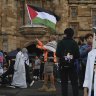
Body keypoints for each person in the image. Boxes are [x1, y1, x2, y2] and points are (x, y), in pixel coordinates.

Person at [56, 28, 80, 96]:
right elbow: (78, 55)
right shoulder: (74, 43)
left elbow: (57, 54)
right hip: (72, 65)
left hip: (63, 65)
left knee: (64, 83)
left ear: (65, 34)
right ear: (72, 34)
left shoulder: (61, 43)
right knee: (74, 83)